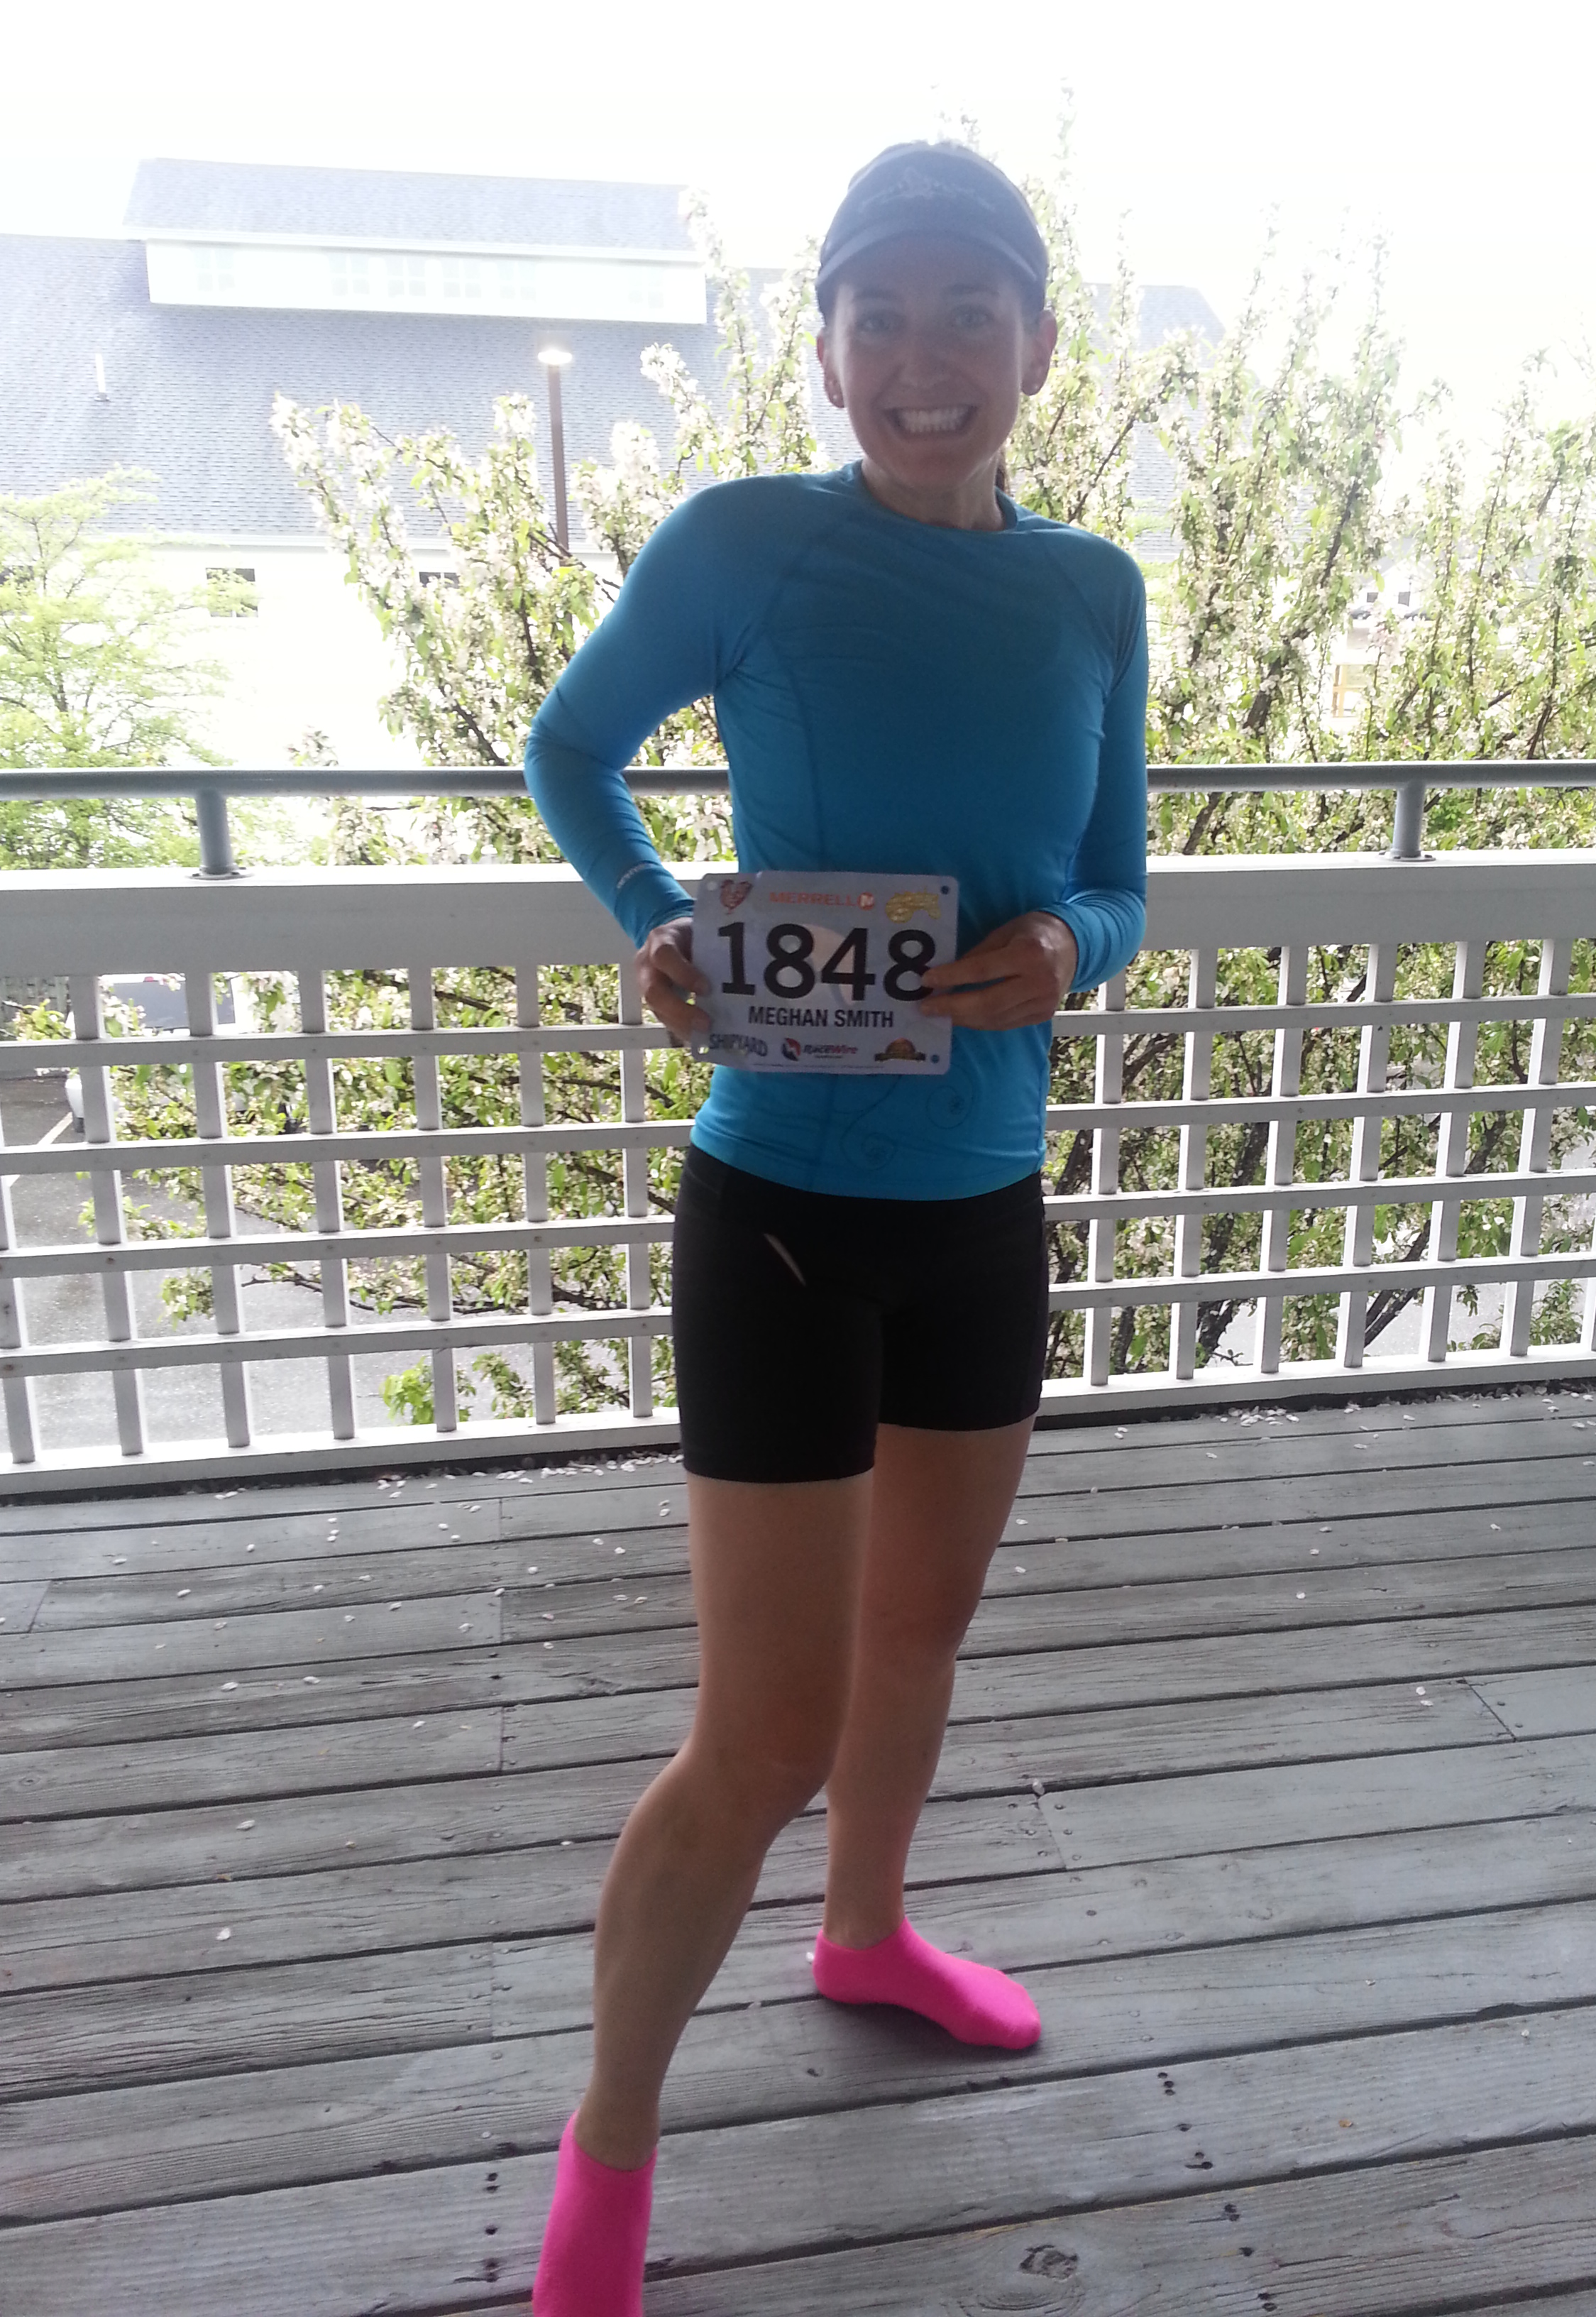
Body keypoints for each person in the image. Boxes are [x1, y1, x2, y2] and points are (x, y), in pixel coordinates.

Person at [521, 139, 1149, 2316]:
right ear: (829, 352)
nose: (924, 358)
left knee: (919, 1641)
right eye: (881, 318)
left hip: (985, 1205)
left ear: (1037, 347)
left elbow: (1119, 879)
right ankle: (608, 2154)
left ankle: (867, 1936)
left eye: (969, 313)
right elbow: (574, 747)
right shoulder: (747, 546)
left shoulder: (1094, 591)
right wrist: (649, 919)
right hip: (781, 1201)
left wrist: (1065, 949)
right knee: (765, 1732)